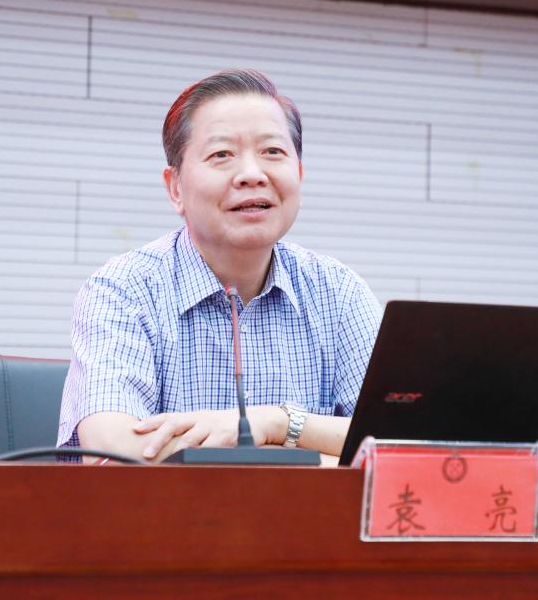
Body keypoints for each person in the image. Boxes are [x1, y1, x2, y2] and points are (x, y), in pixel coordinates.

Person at [57, 70, 381, 463]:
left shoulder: (339, 291)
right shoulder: (124, 289)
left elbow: (405, 445)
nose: (252, 175)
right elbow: (116, 453)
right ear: (175, 188)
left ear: (299, 173)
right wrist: (318, 458)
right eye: (221, 155)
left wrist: (277, 423)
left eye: (272, 152)